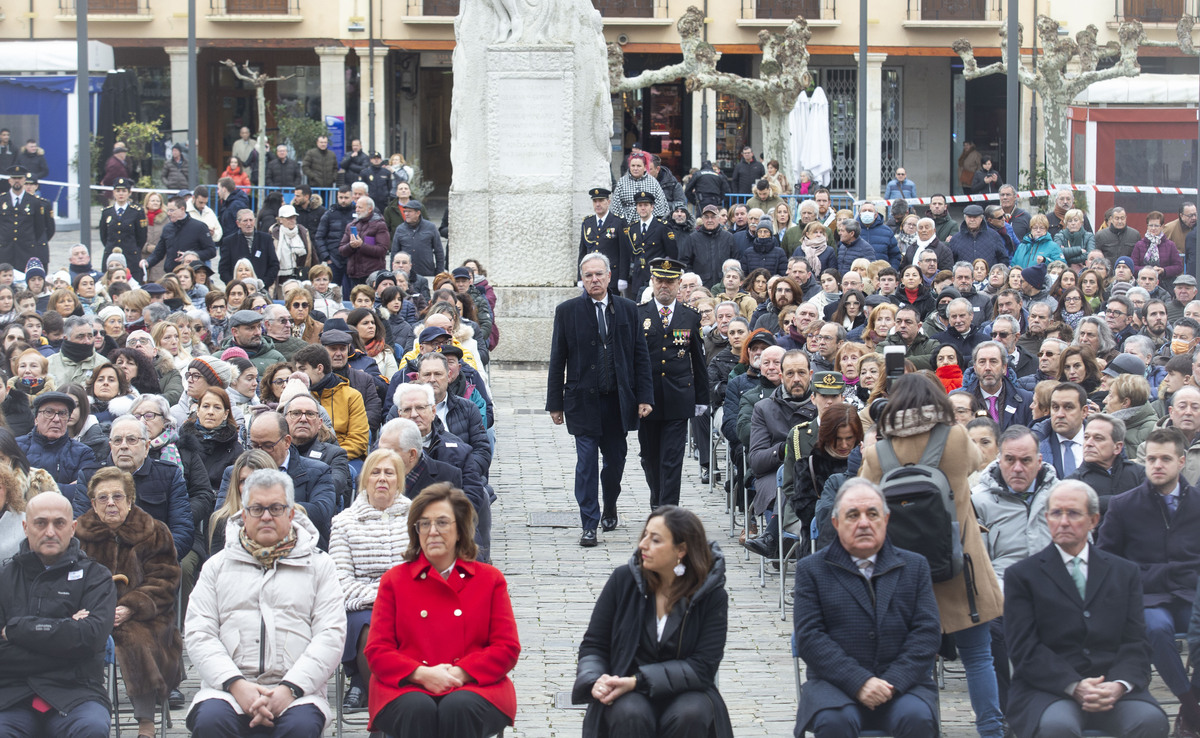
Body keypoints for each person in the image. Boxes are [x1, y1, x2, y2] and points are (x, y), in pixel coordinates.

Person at [859, 373, 1007, 738]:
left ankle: (927, 729)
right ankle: (990, 729)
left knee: (919, 664)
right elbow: (976, 462)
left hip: (904, 572)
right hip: (961, 565)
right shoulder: (955, 437)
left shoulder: (879, 453)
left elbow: (862, 493)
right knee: (978, 657)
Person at [185, 469, 346, 737]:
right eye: (258, 509)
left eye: (276, 508)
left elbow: (331, 636)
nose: (267, 516)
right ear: (244, 514)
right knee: (210, 721)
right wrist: (236, 684)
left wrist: (289, 689)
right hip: (227, 690)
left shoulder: (320, 566)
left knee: (301, 727)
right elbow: (199, 632)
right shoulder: (217, 566)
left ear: (291, 513)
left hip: (297, 692)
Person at [1004, 480, 1170, 738]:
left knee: (1149, 721)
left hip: (1112, 686)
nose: (1064, 521)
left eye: (1073, 513)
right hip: (1049, 689)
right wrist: (1074, 685)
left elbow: (1136, 642)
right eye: (1056, 513)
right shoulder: (1022, 576)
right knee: (1058, 728)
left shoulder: (1124, 572)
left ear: (1094, 520)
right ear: (1047, 519)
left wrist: (1118, 685)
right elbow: (1024, 648)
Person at [364, 483, 520, 737]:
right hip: (405, 685)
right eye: (424, 524)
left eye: (442, 523)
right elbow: (377, 650)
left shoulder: (489, 579)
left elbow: (506, 647)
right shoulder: (394, 580)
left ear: (460, 530)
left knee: (458, 707)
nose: (432, 531)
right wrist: (421, 674)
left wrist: (460, 673)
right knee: (418, 708)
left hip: (474, 685)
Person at [792, 478, 942, 738]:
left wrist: (892, 683)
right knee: (834, 721)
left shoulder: (915, 566)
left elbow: (926, 634)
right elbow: (810, 639)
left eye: (872, 514)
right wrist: (859, 682)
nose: (864, 523)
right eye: (853, 515)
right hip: (834, 686)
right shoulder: (812, 570)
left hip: (902, 685)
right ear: (836, 523)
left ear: (886, 519)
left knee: (916, 718)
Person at [573, 505, 732, 738]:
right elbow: (594, 645)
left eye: (655, 540)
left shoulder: (711, 595)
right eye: (644, 535)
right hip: (625, 686)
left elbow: (703, 667)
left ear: (681, 550)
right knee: (629, 713)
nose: (643, 545)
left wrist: (638, 681)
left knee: (691, 713)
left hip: (687, 689)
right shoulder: (623, 580)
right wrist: (595, 679)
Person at [1097, 427, 1200, 735]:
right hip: (1146, 595)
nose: (1157, 465)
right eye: (1152, 458)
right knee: (1156, 629)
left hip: (1190, 593)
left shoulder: (1197, 503)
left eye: (1165, 459)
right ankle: (1191, 706)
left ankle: (1190, 702)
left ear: (1181, 462)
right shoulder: (1124, 505)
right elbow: (1106, 559)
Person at [548, 253, 653, 546]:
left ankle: (610, 503)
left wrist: (645, 397)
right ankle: (589, 523)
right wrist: (555, 403)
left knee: (615, 461)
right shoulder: (567, 311)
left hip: (617, 402)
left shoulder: (628, 309)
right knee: (586, 463)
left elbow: (639, 356)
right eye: (588, 276)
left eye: (598, 274)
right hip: (582, 402)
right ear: (582, 279)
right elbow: (558, 359)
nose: (594, 280)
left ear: (609, 276)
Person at [73, 467, 183, 738]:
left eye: (117, 496)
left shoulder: (154, 531)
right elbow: (69, 581)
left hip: (144, 615)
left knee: (137, 640)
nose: (110, 503)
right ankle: (80, 710)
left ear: (130, 500)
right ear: (93, 503)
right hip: (90, 613)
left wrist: (131, 606)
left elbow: (165, 579)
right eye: (103, 498)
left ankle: (145, 722)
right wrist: (90, 611)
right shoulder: (77, 535)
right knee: (71, 637)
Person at [0, 491, 116, 738]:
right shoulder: (4, 579)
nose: (50, 532)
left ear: (73, 528)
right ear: (25, 527)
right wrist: (67, 637)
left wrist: (18, 629)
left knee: (92, 729)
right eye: (40, 523)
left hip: (78, 694)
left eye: (59, 523)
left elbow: (91, 638)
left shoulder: (97, 577)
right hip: (12, 695)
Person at [329, 448, 412, 712]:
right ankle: (382, 706)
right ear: (365, 480)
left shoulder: (417, 518)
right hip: (360, 604)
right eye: (375, 473)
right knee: (368, 629)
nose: (382, 479)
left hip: (409, 601)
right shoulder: (344, 522)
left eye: (389, 473)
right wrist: (381, 597)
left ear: (399, 480)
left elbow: (423, 570)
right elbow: (340, 579)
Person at [638, 258, 707, 510]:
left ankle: (667, 510)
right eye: (659, 281)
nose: (664, 286)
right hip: (648, 399)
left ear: (679, 284)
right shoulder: (639, 313)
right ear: (652, 282)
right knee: (649, 457)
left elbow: (698, 361)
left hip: (679, 398)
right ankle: (657, 498)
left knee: (672, 458)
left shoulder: (690, 317)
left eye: (670, 281)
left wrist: (702, 399)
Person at [579, 187, 631, 291]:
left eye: (601, 201)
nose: (598, 204)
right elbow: (582, 252)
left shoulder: (618, 222)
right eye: (595, 201)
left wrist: (622, 277)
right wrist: (580, 277)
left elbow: (624, 252)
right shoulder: (587, 223)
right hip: (591, 278)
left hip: (611, 277)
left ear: (608, 202)